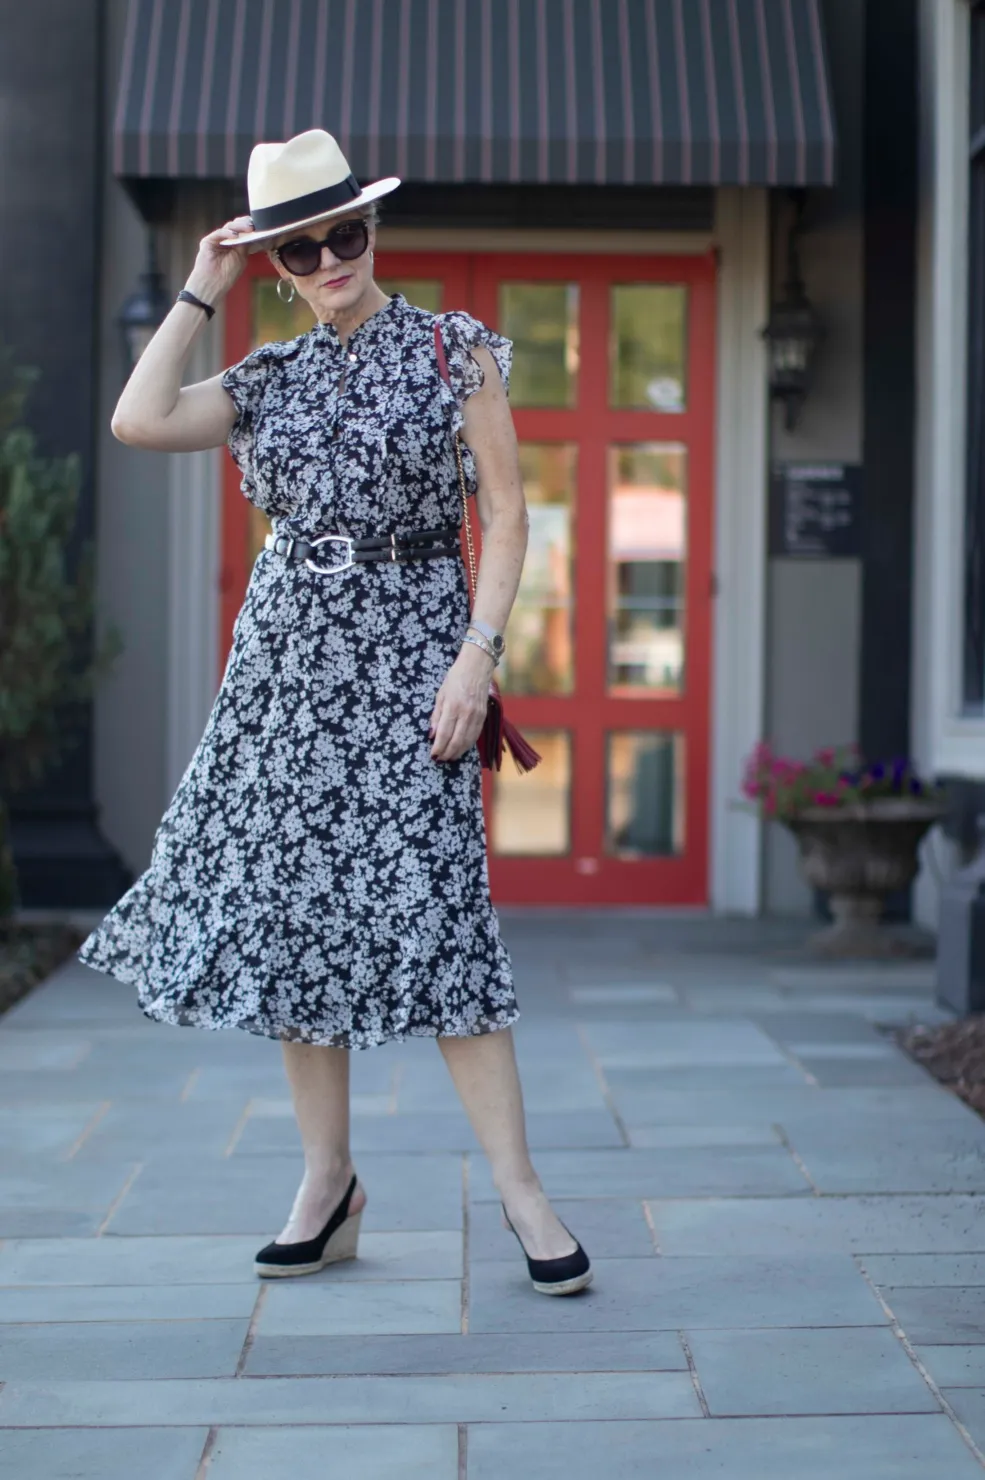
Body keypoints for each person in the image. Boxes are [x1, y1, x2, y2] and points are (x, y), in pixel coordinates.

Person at [79, 129, 591, 1296]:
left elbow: (507, 519)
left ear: (373, 230)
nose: (329, 260)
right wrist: (202, 286)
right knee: (297, 925)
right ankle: (328, 1182)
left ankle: (521, 1193)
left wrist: (477, 657)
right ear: (280, 267)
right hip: (285, 676)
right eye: (301, 248)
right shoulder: (265, 380)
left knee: (442, 916)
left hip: (418, 670)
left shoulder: (456, 351)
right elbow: (137, 419)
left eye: (344, 233)